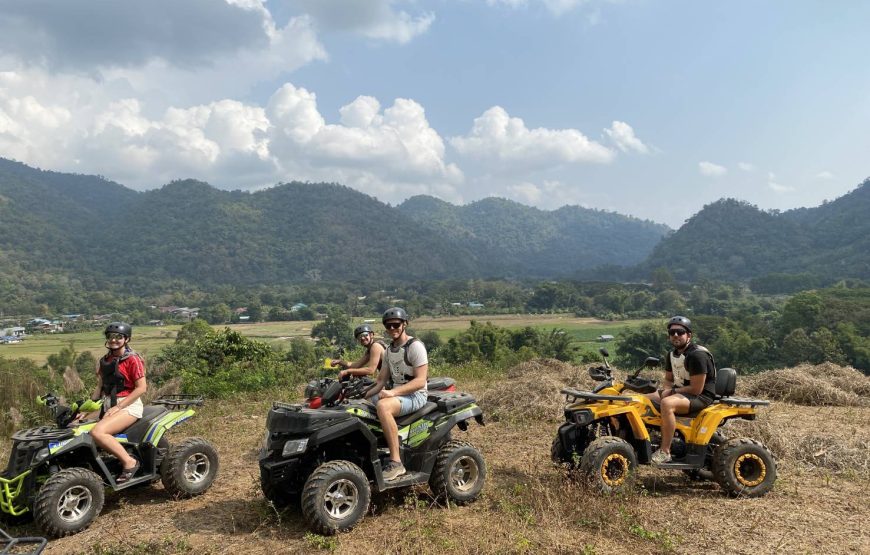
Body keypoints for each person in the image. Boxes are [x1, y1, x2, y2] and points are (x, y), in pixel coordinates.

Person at [75, 322, 147, 483]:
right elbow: (100, 387)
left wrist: (119, 407)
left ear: (126, 339)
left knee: (98, 432)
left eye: (118, 337)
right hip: (107, 404)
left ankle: (130, 462)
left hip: (128, 405)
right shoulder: (104, 360)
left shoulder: (132, 359)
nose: (113, 340)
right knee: (75, 424)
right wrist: (87, 410)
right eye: (110, 336)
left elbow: (141, 388)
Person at [365, 307, 428, 480]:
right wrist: (364, 396)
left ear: (404, 324)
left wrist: (393, 393)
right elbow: (380, 381)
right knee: (361, 407)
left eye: (396, 325)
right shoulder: (389, 351)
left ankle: (396, 462)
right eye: (388, 326)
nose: (392, 329)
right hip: (399, 393)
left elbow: (421, 380)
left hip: (416, 394)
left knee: (383, 407)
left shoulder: (415, 347)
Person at [648, 316, 717, 464]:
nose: (676, 335)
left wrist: (671, 393)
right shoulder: (672, 354)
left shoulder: (697, 355)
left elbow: (696, 389)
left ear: (689, 335)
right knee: (642, 398)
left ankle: (665, 451)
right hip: (682, 392)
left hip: (702, 396)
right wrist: (667, 389)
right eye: (672, 332)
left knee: (667, 403)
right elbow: (668, 379)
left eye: (680, 332)